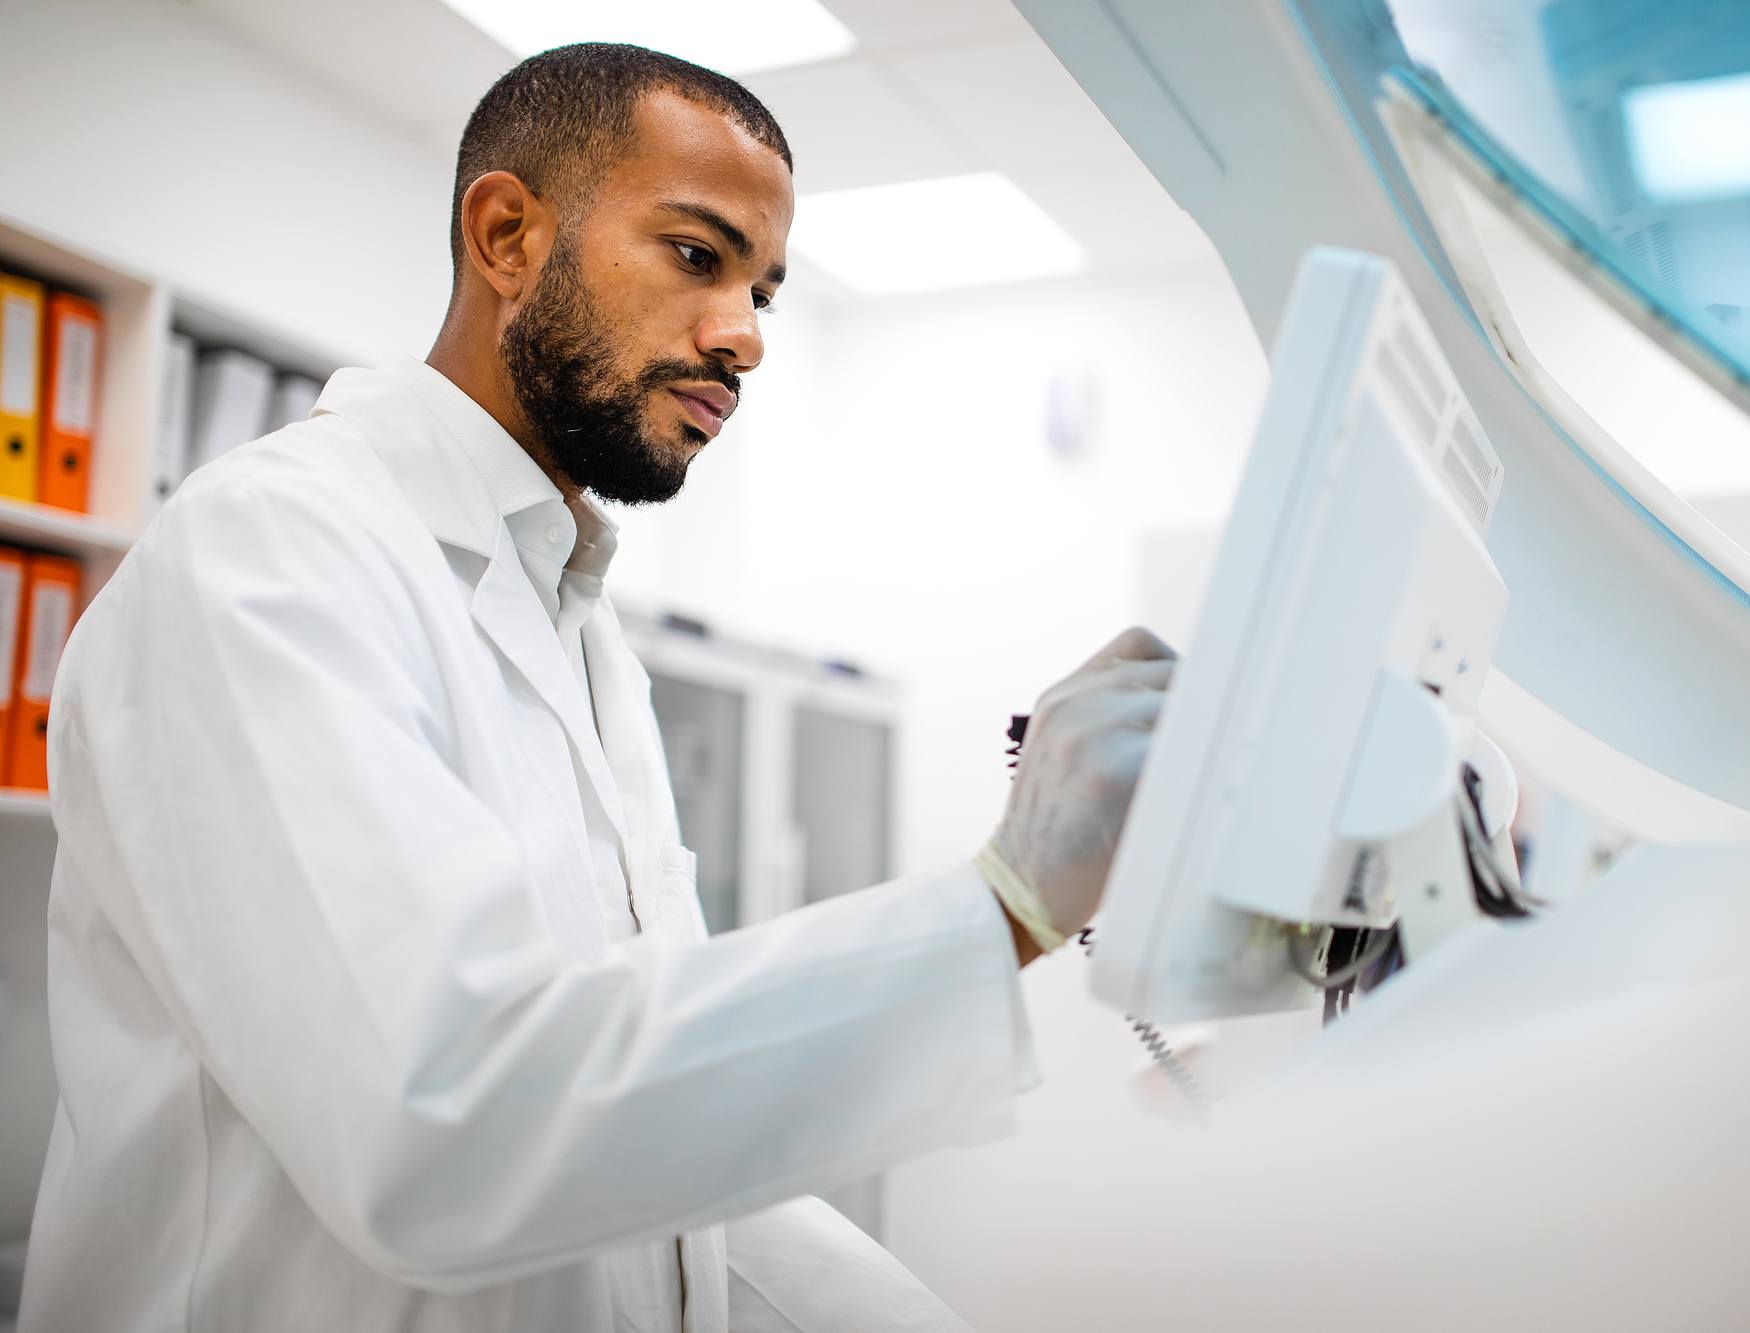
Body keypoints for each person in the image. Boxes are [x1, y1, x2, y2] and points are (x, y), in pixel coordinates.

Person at [18, 43, 1173, 1333]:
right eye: (697, 255)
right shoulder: (269, 555)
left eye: (763, 291)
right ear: (506, 234)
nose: (742, 336)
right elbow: (446, 1122)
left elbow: (659, 1154)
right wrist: (999, 908)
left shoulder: (573, 623)